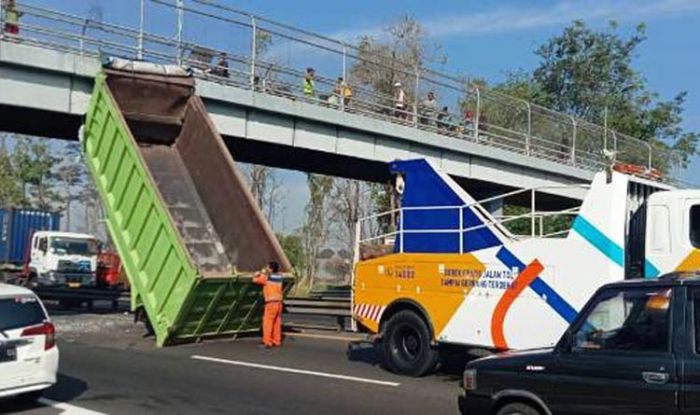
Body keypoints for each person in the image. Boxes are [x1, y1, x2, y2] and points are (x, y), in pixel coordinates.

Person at [253, 261, 284, 348]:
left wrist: (257, 274)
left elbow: (255, 280)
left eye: (267, 267)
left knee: (267, 322)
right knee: (277, 323)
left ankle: (267, 342)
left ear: (270, 269)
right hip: (279, 303)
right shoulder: (280, 277)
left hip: (271, 303)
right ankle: (277, 341)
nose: (266, 268)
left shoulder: (267, 278)